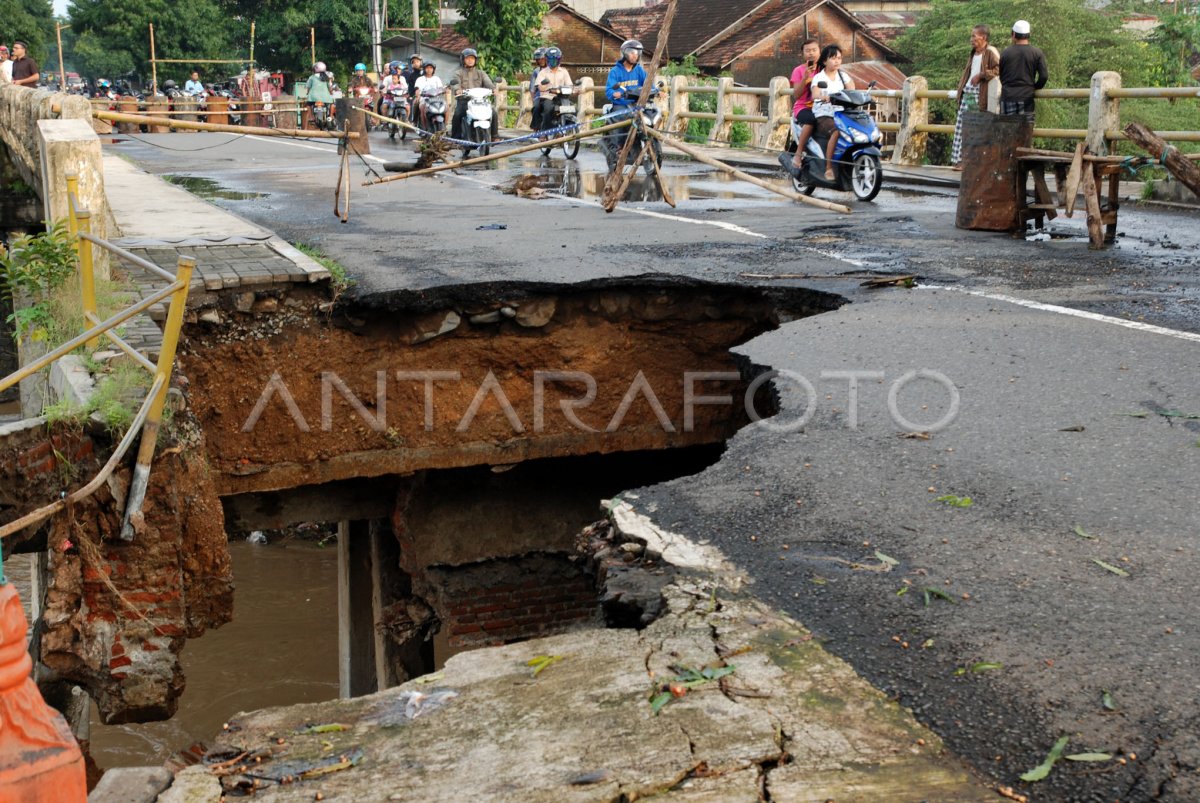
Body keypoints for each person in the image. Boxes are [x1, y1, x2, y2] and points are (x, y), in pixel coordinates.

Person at [950, 25, 1001, 168]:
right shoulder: (973, 53)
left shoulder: (990, 52)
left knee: (975, 127)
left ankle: (971, 160)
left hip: (980, 94)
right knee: (962, 127)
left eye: (974, 36)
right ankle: (960, 160)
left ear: (983, 38)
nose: (971, 39)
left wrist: (982, 76)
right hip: (968, 93)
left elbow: (999, 69)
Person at [811, 44, 855, 181]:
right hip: (824, 114)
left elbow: (852, 91)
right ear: (824, 61)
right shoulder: (819, 77)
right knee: (837, 131)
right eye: (833, 58)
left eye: (839, 58)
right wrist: (823, 96)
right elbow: (815, 93)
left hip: (841, 113)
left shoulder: (843, 76)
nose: (837, 61)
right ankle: (828, 167)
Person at [999, 19, 1048, 127]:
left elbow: (1001, 75)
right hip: (1026, 97)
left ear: (1014, 34)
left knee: (1007, 133)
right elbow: (1044, 76)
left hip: (1008, 97)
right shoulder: (1037, 53)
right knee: (1024, 134)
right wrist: (1035, 87)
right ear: (1029, 34)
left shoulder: (1005, 53)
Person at [788, 39, 821, 174]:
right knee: (812, 119)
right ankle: (798, 152)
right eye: (807, 51)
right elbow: (797, 94)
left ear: (820, 51)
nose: (811, 53)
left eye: (814, 50)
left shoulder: (825, 69)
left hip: (823, 106)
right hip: (803, 107)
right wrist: (805, 78)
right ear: (803, 53)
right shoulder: (799, 70)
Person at [449, 47, 495, 140]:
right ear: (463, 60)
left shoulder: (481, 73)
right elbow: (455, 84)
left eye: (472, 58)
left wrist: (493, 89)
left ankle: (494, 136)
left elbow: (488, 82)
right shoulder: (458, 73)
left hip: (480, 101)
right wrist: (458, 89)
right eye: (468, 58)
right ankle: (455, 138)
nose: (470, 60)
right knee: (458, 114)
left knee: (493, 112)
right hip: (464, 101)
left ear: (475, 60)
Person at [534, 47, 572, 134]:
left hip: (561, 97)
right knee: (548, 109)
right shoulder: (543, 72)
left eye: (556, 59)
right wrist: (545, 87)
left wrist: (575, 89)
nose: (553, 61)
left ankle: (568, 129)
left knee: (573, 108)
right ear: (547, 60)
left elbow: (569, 85)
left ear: (559, 59)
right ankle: (544, 132)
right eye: (551, 59)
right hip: (548, 97)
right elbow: (540, 87)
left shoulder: (564, 71)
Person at [415, 61, 444, 128]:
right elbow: (417, 89)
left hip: (436, 99)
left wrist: (445, 90)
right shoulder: (420, 79)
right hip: (425, 99)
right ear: (424, 69)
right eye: (427, 68)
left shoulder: (437, 78)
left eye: (431, 68)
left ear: (433, 69)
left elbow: (440, 88)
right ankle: (424, 127)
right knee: (422, 108)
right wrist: (418, 95)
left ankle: (445, 126)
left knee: (446, 108)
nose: (429, 69)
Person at [529, 47, 547, 130]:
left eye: (541, 59)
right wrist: (533, 99)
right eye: (538, 59)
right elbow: (532, 88)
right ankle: (536, 128)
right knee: (536, 108)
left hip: (554, 94)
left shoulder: (556, 69)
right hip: (540, 95)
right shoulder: (536, 71)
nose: (539, 61)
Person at [401, 54, 423, 120]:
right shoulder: (412, 75)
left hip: (429, 95)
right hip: (416, 96)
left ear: (421, 62)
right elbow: (410, 88)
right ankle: (413, 120)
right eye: (414, 62)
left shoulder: (425, 72)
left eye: (417, 61)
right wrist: (413, 95)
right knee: (413, 103)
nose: (416, 63)